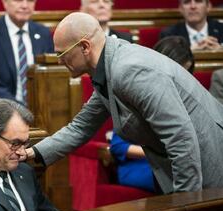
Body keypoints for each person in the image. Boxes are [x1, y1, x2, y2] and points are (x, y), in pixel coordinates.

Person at [24, 12, 223, 194]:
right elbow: (80, 128)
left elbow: (180, 136)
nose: (59, 61)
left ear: (85, 47)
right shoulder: (110, 67)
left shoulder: (128, 70)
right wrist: (33, 153)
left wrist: (185, 206)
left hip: (212, 168)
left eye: (61, 54)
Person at [109, 36, 196, 193]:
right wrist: (167, 153)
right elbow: (118, 147)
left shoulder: (189, 94)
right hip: (142, 166)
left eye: (187, 72)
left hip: (178, 162)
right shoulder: (137, 90)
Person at [0, 0, 54, 111]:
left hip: (41, 106)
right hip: (1, 106)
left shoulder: (43, 33)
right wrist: (19, 108)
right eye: (18, 0)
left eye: (30, 1)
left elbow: (51, 74)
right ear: (5, 3)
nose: (25, 6)